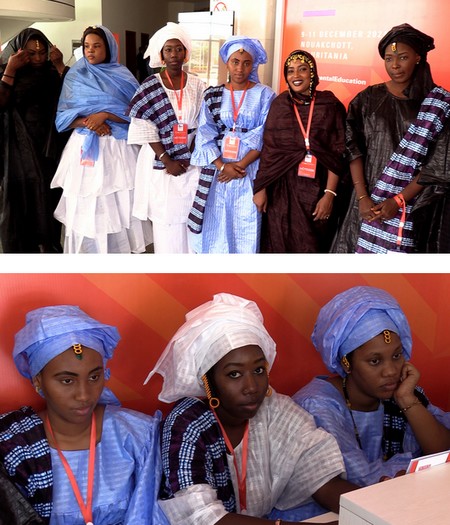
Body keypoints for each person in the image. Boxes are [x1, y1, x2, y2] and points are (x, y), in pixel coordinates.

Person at [145, 292, 357, 525]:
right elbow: (203, 518)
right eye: (234, 374)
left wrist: (369, 510)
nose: (252, 387)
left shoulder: (275, 409)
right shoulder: (187, 425)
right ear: (207, 381)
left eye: (258, 370)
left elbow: (319, 476)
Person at [0, 304, 168, 524]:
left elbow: (152, 514)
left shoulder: (137, 434)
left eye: (94, 377)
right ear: (38, 380)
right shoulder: (13, 445)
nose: (84, 395)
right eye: (67, 380)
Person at [293, 286, 450, 488]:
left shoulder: (404, 392)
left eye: (397, 355)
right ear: (346, 363)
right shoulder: (317, 405)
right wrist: (416, 470)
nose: (391, 371)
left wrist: (406, 400)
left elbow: (444, 452)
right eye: (375, 361)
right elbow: (355, 479)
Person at [332, 23, 438, 253]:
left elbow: (437, 164)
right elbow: (352, 147)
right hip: (366, 201)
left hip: (412, 205)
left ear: (418, 58)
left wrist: (399, 200)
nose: (395, 65)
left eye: (403, 57)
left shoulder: (437, 105)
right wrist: (362, 197)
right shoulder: (367, 98)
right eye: (389, 59)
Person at [51, 25, 151, 253]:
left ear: (109, 48)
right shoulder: (76, 75)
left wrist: (105, 115)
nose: (90, 51)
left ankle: (118, 256)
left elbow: (138, 115)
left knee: (118, 203)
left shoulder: (123, 76)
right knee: (87, 202)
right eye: (87, 46)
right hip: (84, 149)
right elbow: (63, 119)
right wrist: (91, 122)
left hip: (117, 149)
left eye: (96, 46)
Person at [187, 36, 276, 253]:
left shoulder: (265, 94)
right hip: (219, 173)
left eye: (246, 63)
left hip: (249, 170)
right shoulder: (213, 95)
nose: (240, 68)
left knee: (246, 221)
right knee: (217, 219)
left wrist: (240, 165)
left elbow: (265, 134)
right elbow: (205, 133)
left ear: (253, 65)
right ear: (227, 63)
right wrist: (222, 166)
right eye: (235, 62)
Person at [253, 50, 347, 253]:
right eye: (290, 71)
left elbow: (337, 153)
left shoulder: (329, 105)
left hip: (317, 190)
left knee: (311, 247)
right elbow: (270, 150)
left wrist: (329, 195)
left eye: (302, 69)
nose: (296, 76)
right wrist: (261, 188)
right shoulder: (280, 104)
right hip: (281, 191)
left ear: (312, 73)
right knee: (278, 244)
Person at [127, 22, 205, 253]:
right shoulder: (150, 86)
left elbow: (205, 122)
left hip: (191, 159)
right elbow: (144, 125)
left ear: (185, 52)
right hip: (160, 161)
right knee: (166, 221)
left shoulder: (198, 84)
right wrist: (166, 159)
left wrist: (193, 154)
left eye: (179, 49)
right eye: (168, 49)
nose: (174, 54)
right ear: (161, 54)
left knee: (191, 218)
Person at [0, 28, 69, 253]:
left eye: (42, 52)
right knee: (22, 196)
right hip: (18, 146)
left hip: (50, 145)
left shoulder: (52, 72)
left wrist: (59, 66)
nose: (38, 58)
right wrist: (10, 69)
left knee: (49, 196)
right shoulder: (8, 71)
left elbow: (73, 96)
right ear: (19, 51)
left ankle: (49, 245)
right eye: (31, 54)